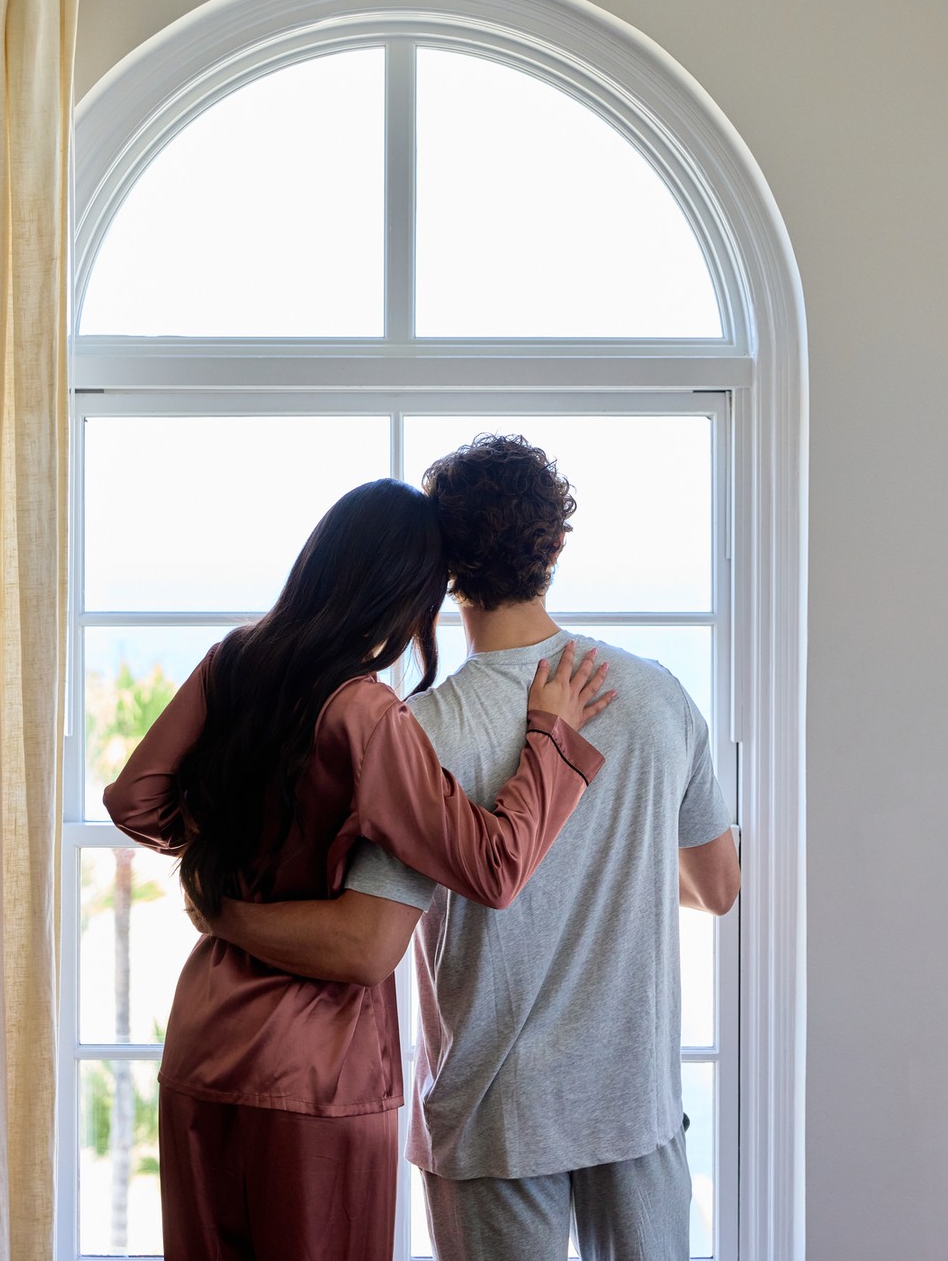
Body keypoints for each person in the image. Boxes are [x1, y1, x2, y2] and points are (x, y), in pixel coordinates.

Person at [208, 435, 741, 1261]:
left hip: (494, 1118)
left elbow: (362, 944)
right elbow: (717, 886)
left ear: (445, 569)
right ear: (554, 547)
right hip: (635, 1103)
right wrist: (618, 860)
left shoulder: (420, 731)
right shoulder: (658, 695)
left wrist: (225, 914)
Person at [102, 476, 617, 1261]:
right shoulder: (367, 714)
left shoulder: (229, 661)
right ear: (406, 592)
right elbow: (493, 864)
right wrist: (549, 738)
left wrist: (220, 872)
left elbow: (135, 800)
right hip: (320, 1071)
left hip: (203, 1042)